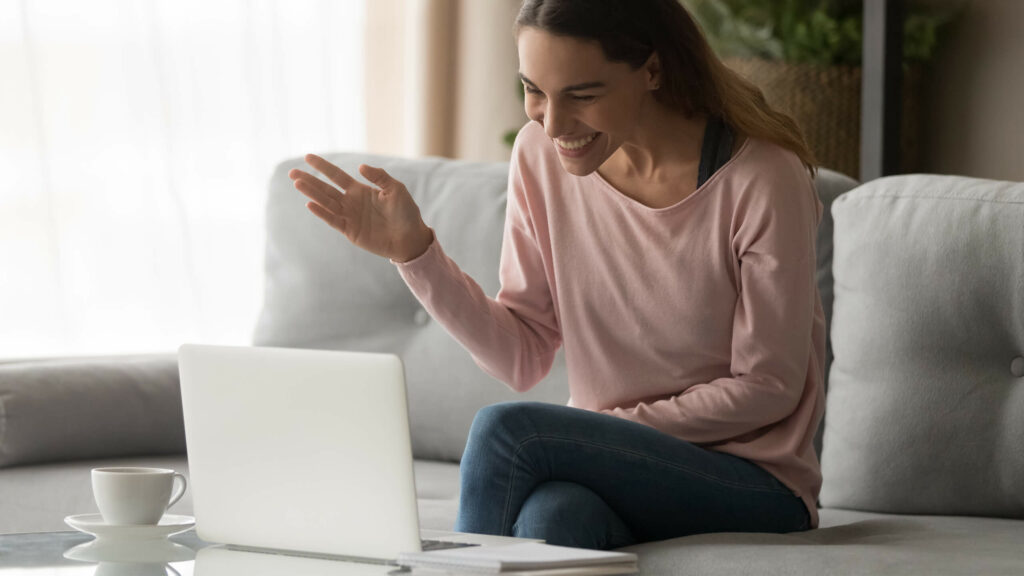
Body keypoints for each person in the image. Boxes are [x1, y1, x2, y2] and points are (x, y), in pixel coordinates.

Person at [288, 0, 825, 550]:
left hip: (753, 480)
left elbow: (769, 389)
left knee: (506, 431)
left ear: (653, 71)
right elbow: (521, 355)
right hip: (609, 459)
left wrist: (601, 431)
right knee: (553, 522)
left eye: (583, 95)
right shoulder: (540, 156)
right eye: (535, 91)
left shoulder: (761, 178)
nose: (553, 122)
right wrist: (415, 254)